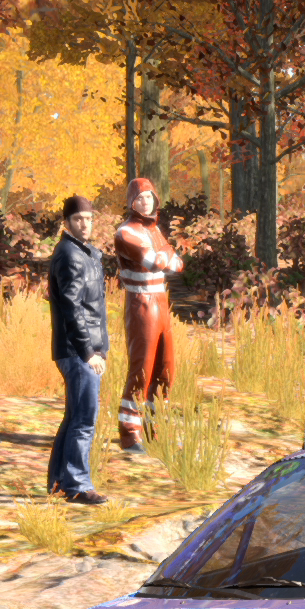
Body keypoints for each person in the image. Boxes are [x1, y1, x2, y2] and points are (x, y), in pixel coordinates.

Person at [45, 194, 111, 505]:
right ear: (67, 222)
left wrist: (100, 348)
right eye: (78, 219)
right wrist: (89, 352)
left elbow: (94, 308)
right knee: (84, 419)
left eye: (88, 219)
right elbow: (72, 308)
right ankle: (77, 485)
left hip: (82, 348)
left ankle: (60, 482)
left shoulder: (86, 253)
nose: (85, 224)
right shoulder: (70, 255)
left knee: (75, 416)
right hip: (77, 350)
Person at [112, 177, 184, 454]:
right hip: (141, 302)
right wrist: (167, 252)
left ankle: (157, 430)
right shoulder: (125, 232)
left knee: (165, 369)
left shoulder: (154, 231)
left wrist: (165, 255)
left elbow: (177, 265)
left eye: (149, 197)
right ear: (132, 202)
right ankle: (130, 434)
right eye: (140, 198)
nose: (146, 202)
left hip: (161, 302)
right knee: (141, 369)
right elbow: (155, 261)